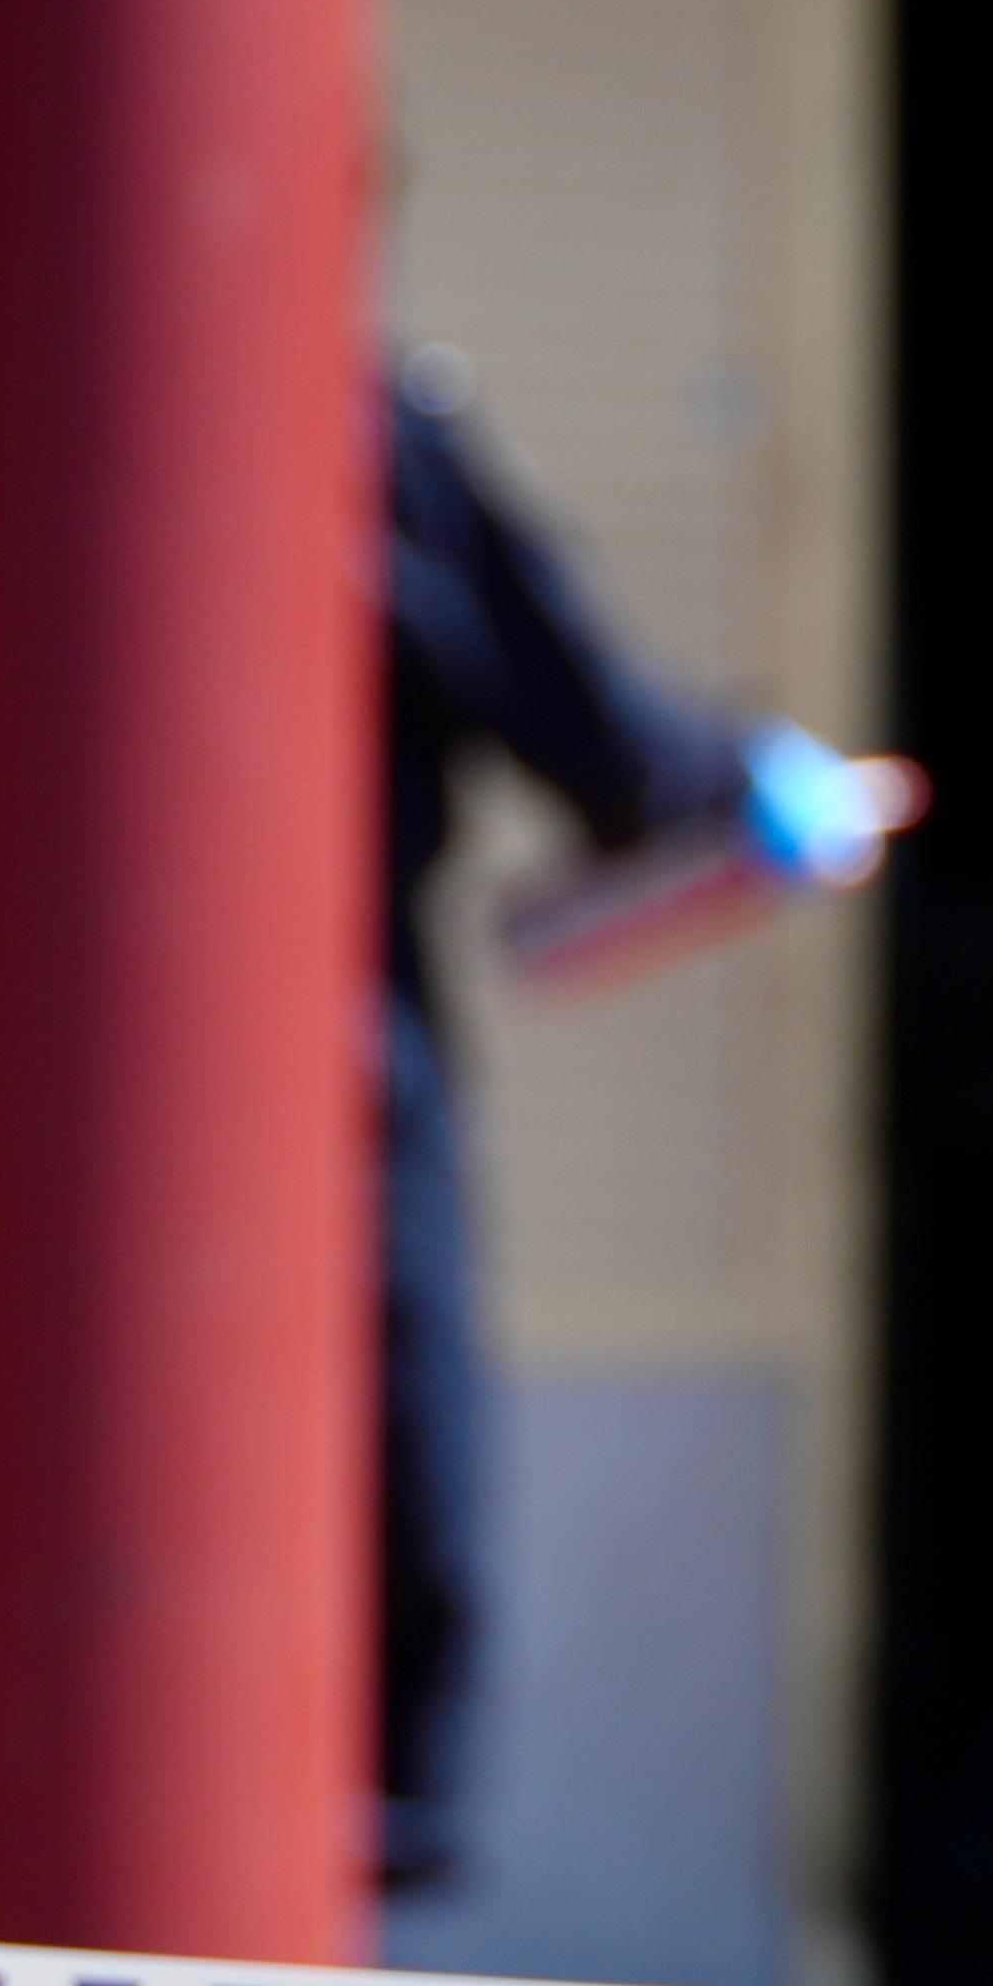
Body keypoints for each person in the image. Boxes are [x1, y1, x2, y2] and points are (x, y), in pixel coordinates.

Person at [374, 349, 891, 1892]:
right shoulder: (351, 421)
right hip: (305, 1037)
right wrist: (748, 779)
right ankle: (378, 1785)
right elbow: (597, 734)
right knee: (378, 1391)